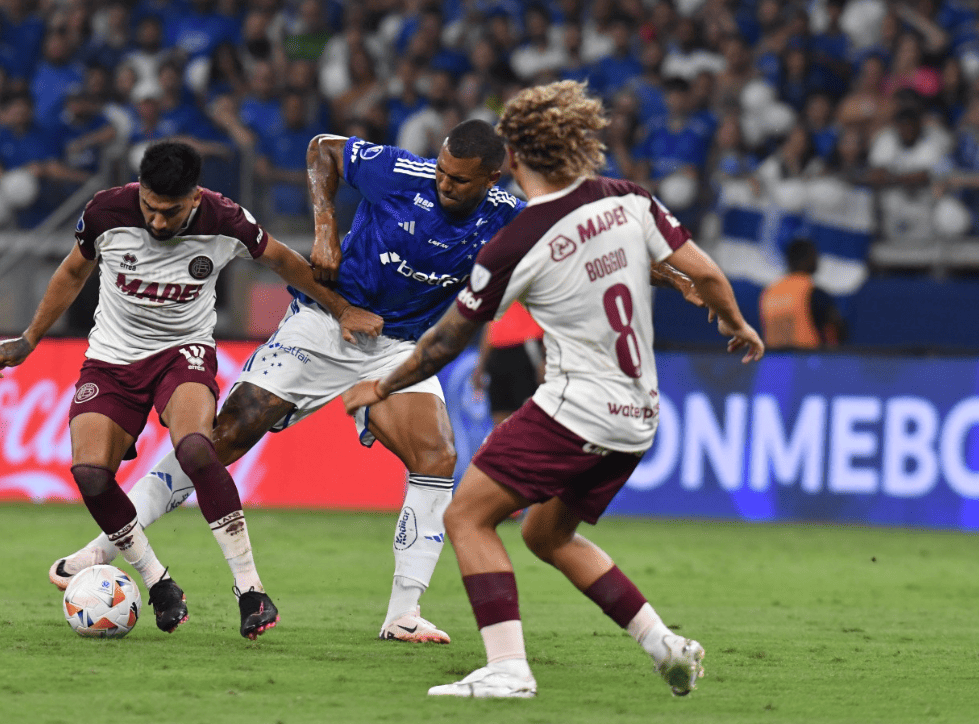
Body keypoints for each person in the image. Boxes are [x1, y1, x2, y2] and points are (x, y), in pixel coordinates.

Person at [343, 80, 765, 699]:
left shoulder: (516, 239)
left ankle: (509, 668)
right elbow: (705, 272)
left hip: (577, 409)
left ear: (510, 159)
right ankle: (664, 645)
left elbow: (442, 344)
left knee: (467, 515)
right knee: (546, 534)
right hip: (639, 414)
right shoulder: (631, 199)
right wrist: (734, 322)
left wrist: (381, 385)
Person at [52, 119, 526, 645]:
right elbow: (322, 148)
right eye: (441, 170)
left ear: (492, 178)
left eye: (459, 180)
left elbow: (566, 244)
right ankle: (102, 546)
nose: (444, 184)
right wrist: (325, 230)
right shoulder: (399, 173)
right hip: (324, 324)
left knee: (437, 458)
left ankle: (403, 613)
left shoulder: (509, 219)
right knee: (221, 438)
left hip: (395, 347)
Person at [0, 140, 382, 639]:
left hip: (183, 353)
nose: (156, 222)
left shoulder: (226, 219)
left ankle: (250, 590)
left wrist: (343, 310)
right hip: (111, 360)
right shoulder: (107, 210)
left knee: (196, 446)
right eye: (149, 208)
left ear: (194, 198)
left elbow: (284, 261)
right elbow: (71, 271)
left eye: (169, 212)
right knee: (88, 472)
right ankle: (157, 582)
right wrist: (29, 339)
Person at [759, 238, 847, 349]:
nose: (817, 260)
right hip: (805, 361)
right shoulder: (812, 292)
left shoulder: (769, 292)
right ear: (804, 258)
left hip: (773, 362)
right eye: (814, 255)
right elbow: (836, 328)